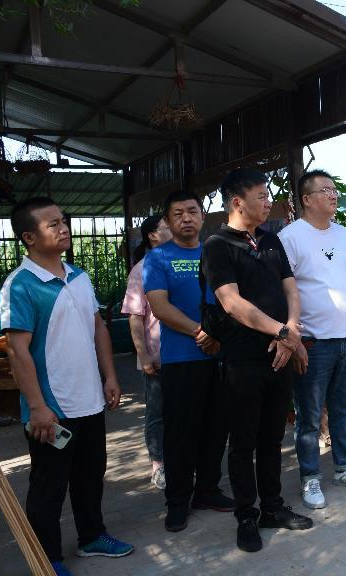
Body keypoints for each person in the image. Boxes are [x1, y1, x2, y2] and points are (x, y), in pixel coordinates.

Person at [0, 198, 133, 576]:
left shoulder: (78, 276)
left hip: (89, 400)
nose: (64, 229)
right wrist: (37, 406)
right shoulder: (19, 285)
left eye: (63, 221)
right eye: (53, 224)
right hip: (53, 410)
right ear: (29, 237)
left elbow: (98, 328)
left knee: (90, 476)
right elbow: (17, 351)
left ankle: (92, 537)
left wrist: (110, 376)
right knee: (49, 486)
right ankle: (47, 558)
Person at [200, 169, 314, 552]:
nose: (269, 202)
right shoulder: (217, 246)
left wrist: (290, 331)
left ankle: (272, 507)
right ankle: (246, 515)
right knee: (243, 441)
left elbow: (290, 289)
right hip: (244, 360)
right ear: (237, 202)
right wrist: (282, 333)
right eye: (262, 196)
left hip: (279, 356)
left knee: (272, 437)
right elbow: (232, 303)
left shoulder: (271, 239)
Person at [278, 169, 346, 510]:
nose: (333, 195)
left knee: (344, 411)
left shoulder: (345, 235)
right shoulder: (290, 237)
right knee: (308, 416)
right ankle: (310, 477)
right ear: (307, 199)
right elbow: (284, 290)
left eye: (334, 190)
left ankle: (345, 468)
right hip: (312, 342)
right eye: (325, 190)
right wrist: (293, 338)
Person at [144, 190, 233, 533]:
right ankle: (178, 501)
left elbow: (232, 300)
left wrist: (218, 335)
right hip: (181, 359)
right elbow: (160, 307)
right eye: (178, 213)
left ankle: (207, 490)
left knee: (216, 427)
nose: (186, 218)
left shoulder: (215, 252)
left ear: (202, 215)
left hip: (220, 356)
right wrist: (201, 333)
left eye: (192, 211)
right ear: (168, 221)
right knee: (181, 433)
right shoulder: (158, 258)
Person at [122, 214, 172, 491]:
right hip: (157, 356)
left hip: (185, 355)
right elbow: (135, 316)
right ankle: (159, 465)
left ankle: (182, 461)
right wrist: (143, 355)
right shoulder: (141, 270)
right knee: (157, 413)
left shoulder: (181, 262)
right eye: (167, 226)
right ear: (152, 235)